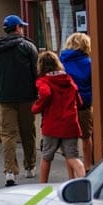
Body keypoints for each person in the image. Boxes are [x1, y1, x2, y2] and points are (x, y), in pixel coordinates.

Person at [0, 14, 39, 187]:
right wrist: (39, 93)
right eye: (21, 26)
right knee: (27, 132)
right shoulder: (28, 47)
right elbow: (36, 73)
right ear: (17, 28)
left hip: (4, 97)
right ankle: (30, 167)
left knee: (8, 135)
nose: (23, 29)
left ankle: (10, 171)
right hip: (27, 97)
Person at [32, 50, 86, 183]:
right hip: (70, 124)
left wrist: (35, 108)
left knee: (46, 157)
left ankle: (42, 187)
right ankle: (83, 182)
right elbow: (79, 101)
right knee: (72, 156)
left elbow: (46, 94)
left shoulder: (43, 81)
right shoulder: (68, 79)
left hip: (52, 125)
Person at [59, 32, 93, 171]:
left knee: (69, 141)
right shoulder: (89, 63)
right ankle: (87, 167)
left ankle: (71, 174)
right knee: (86, 136)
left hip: (66, 104)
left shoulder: (61, 62)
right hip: (84, 103)